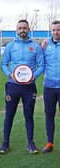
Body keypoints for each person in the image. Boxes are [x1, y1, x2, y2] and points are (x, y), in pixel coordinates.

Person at [0, 19, 44, 154]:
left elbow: (41, 65)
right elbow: (3, 64)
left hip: (29, 87)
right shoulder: (10, 46)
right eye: (20, 28)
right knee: (9, 115)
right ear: (16, 30)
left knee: (29, 115)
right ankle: (5, 143)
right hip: (13, 85)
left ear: (28, 29)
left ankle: (30, 143)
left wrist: (33, 76)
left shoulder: (35, 47)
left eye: (24, 28)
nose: (22, 30)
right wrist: (10, 74)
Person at [41, 20, 60, 153]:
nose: (56, 32)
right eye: (53, 30)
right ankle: (49, 143)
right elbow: (40, 63)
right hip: (49, 86)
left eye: (58, 30)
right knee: (49, 115)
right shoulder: (45, 45)